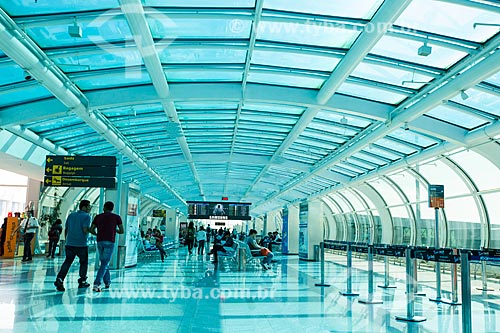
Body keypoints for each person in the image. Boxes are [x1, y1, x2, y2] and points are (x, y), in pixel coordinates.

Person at [54, 200, 92, 292]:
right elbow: (85, 229)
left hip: (70, 243)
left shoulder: (71, 215)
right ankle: (82, 281)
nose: (89, 208)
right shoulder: (87, 216)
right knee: (83, 262)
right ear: (84, 206)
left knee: (67, 261)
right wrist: (93, 232)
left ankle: (60, 279)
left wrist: (67, 240)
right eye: (88, 206)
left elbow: (66, 229)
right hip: (81, 244)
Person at [89, 201, 124, 292]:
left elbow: (91, 229)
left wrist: (97, 234)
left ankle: (107, 281)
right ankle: (97, 284)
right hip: (110, 241)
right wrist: (114, 230)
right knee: (104, 263)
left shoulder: (98, 217)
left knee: (104, 262)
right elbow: (122, 230)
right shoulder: (117, 217)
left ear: (104, 207)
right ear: (112, 208)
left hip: (100, 241)